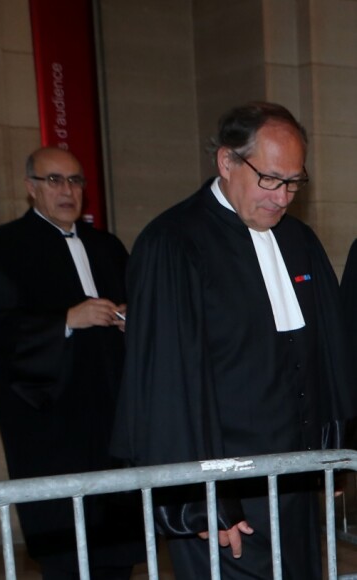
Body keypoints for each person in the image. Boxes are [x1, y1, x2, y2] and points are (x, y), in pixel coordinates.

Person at [111, 102, 357, 579]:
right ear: (226, 162)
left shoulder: (299, 241)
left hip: (297, 486)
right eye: (269, 179)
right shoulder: (174, 243)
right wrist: (201, 501)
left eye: (293, 182)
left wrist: (331, 458)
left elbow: (327, 358)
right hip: (226, 495)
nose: (282, 197)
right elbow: (168, 388)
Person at [0, 147, 145, 579]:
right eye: (54, 180)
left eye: (75, 181)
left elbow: (140, 310)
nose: (67, 190)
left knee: (116, 549)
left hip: (110, 411)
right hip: (50, 417)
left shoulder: (107, 246)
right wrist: (68, 319)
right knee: (67, 549)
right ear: (31, 188)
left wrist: (129, 320)